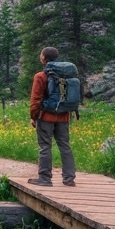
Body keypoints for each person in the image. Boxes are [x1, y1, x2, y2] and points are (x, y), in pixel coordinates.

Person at [28, 46, 76, 186]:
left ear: (44, 58)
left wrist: (33, 116)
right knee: (65, 146)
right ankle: (69, 178)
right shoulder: (66, 76)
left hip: (45, 117)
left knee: (45, 147)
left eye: (41, 55)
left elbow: (35, 100)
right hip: (63, 117)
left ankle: (45, 178)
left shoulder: (40, 76)